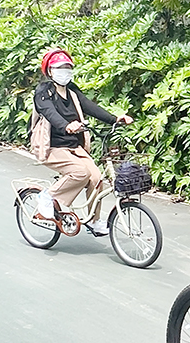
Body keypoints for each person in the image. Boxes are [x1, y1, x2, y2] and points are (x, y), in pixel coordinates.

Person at [33, 48, 133, 236]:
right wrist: (66, 125)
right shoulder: (43, 92)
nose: (64, 72)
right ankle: (47, 196)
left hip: (74, 146)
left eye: (67, 68)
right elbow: (49, 112)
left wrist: (114, 119)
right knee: (80, 172)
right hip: (52, 147)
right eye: (59, 68)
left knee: (96, 178)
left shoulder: (72, 91)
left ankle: (94, 221)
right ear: (50, 71)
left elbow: (90, 107)